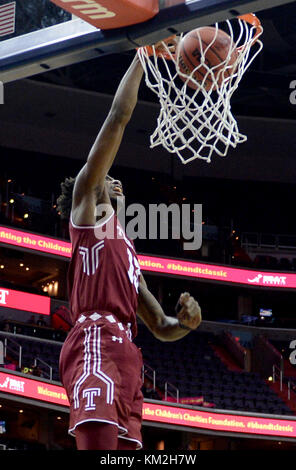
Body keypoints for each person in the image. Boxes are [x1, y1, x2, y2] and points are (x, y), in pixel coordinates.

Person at [57, 45, 202, 451]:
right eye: (107, 175)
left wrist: (188, 325)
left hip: (127, 354)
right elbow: (118, 120)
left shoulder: (127, 254)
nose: (113, 180)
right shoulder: (87, 212)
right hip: (94, 340)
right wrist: (143, 58)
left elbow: (159, 326)